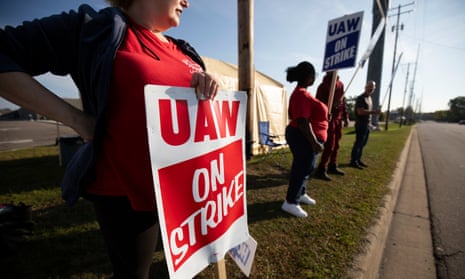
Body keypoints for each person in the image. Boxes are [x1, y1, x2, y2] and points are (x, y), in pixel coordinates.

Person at [0, 1, 219, 278]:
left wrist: (205, 79)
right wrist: (75, 119)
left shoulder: (184, 49)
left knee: (186, 265)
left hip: (182, 188)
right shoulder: (94, 27)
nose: (188, 1)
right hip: (125, 192)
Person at [282, 61, 328, 218]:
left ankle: (300, 194)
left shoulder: (301, 94)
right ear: (309, 77)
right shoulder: (301, 94)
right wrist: (314, 142)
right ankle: (290, 202)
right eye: (314, 76)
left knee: (306, 167)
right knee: (302, 168)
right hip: (302, 136)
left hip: (302, 135)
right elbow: (302, 121)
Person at [314, 71, 349, 181]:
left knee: (336, 144)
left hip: (338, 120)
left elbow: (343, 101)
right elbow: (318, 104)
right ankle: (322, 168)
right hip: (328, 119)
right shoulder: (323, 86)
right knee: (329, 145)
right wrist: (332, 106)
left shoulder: (340, 84)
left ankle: (332, 165)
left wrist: (345, 116)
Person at [350, 80, 380, 169]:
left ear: (374, 89)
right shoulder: (361, 98)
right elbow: (360, 112)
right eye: (369, 86)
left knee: (363, 143)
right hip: (360, 124)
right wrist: (374, 112)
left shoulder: (369, 99)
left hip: (367, 124)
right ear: (365, 86)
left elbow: (367, 114)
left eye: (372, 87)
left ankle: (358, 159)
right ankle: (353, 161)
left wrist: (370, 123)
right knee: (358, 143)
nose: (370, 88)